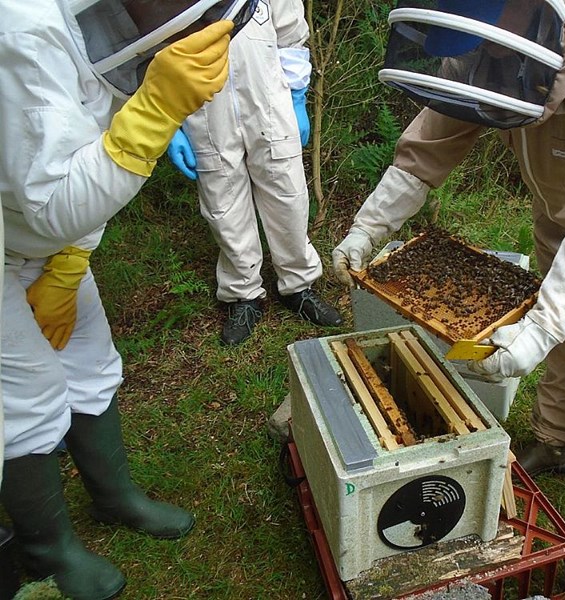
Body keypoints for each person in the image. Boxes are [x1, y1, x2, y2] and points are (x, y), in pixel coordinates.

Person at [333, 0, 565, 540]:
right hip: (558, 187)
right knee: (562, 324)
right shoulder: (488, 30)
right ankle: (555, 438)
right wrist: (370, 226)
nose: (478, 53)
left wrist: (540, 329)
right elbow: (433, 137)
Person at [0, 1, 245, 598]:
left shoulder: (101, 29)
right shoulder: (20, 32)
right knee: (25, 398)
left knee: (91, 360)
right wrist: (156, 111)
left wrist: (71, 260)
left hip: (37, 229)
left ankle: (114, 499)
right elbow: (57, 194)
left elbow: (90, 151)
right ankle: (47, 551)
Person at [167, 0, 343, 346]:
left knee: (288, 195)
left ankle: (298, 286)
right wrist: (170, 122)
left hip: (269, 99)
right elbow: (155, 51)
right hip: (202, 107)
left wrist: (297, 96)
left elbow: (291, 35)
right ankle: (242, 294)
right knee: (223, 204)